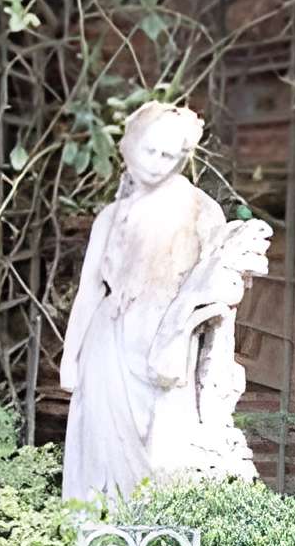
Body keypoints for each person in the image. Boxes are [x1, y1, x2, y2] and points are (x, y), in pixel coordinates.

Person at [60, 101, 266, 501]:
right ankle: (99, 545)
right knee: (100, 455)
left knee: (162, 463)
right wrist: (71, 358)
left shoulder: (199, 211)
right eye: (150, 151)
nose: (157, 163)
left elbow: (223, 289)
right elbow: (89, 290)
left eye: (169, 155)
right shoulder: (109, 217)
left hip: (167, 348)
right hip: (109, 347)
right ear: (130, 146)